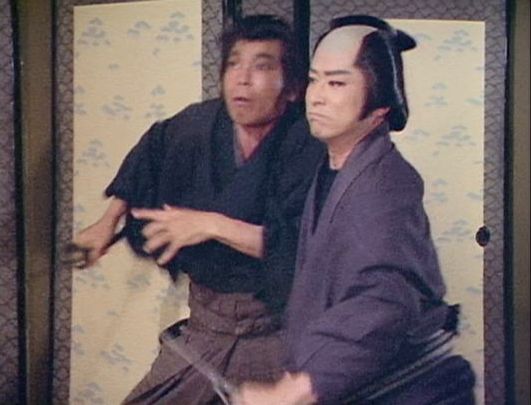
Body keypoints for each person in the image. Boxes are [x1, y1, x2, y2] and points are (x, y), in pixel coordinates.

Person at [74, 14, 323, 404]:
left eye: (261, 66)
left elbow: (303, 246)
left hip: (275, 330)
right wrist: (107, 223)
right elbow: (150, 154)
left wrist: (210, 224)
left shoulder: (308, 144)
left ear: (292, 88)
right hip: (208, 326)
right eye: (234, 63)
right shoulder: (199, 124)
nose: (242, 78)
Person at [234, 15, 476, 405]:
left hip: (402, 387)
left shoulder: (386, 184)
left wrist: (298, 389)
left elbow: (384, 298)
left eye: (336, 83)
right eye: (314, 80)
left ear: (380, 104)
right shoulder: (332, 167)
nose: (316, 97)